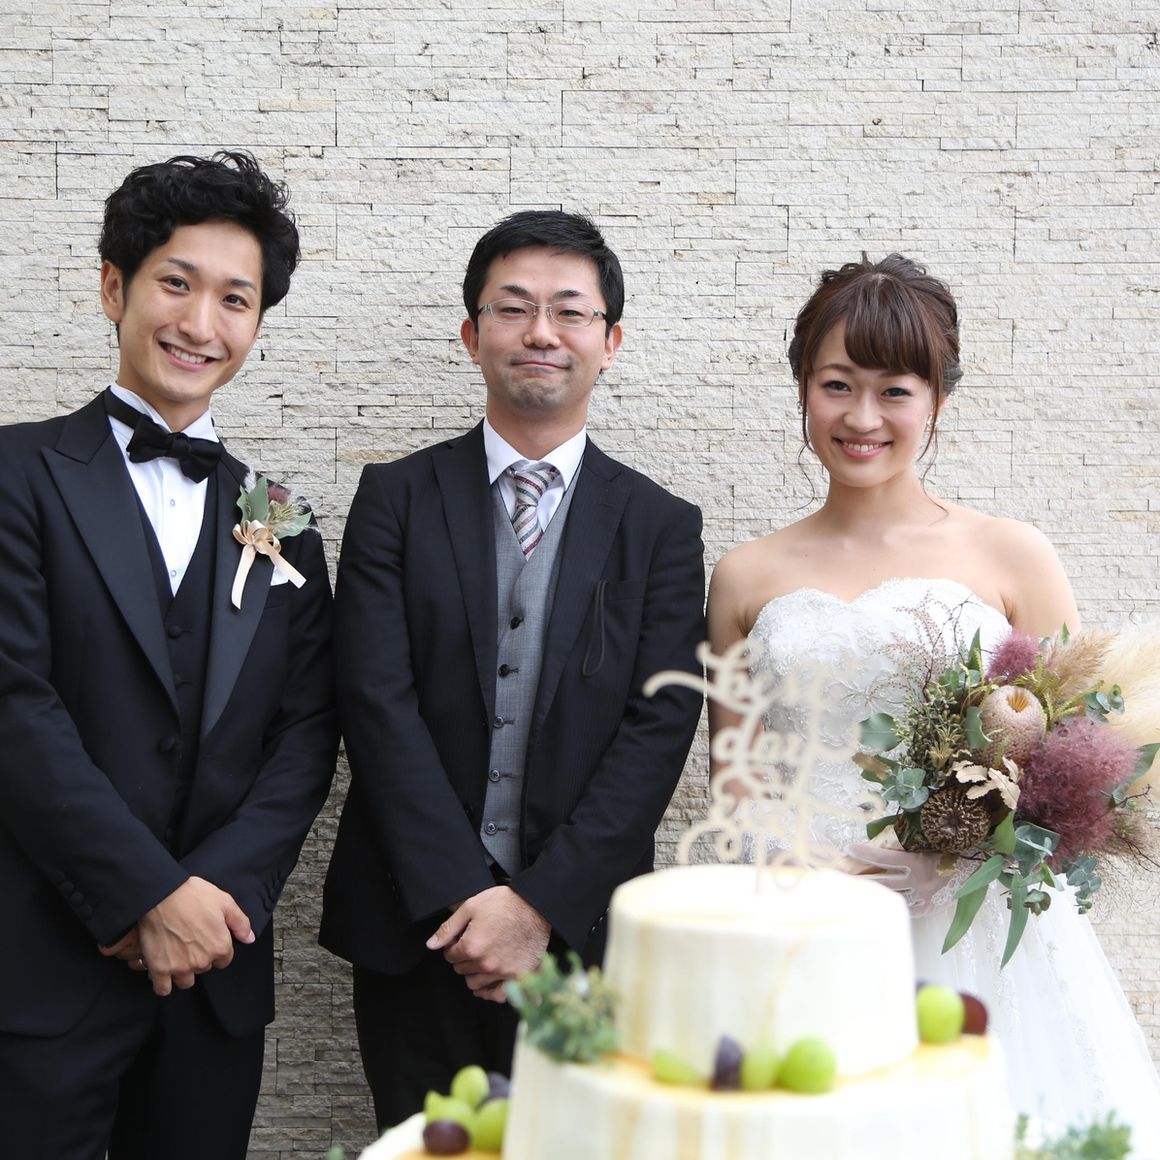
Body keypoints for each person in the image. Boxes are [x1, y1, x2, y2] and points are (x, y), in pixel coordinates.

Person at [707, 254, 1160, 1145]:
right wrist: (796, 869)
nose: (862, 417)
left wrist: (951, 852)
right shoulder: (744, 575)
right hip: (804, 917)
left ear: (938, 400)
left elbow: (1079, 760)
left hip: (970, 927)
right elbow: (738, 779)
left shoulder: (1010, 554)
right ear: (803, 389)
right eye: (837, 385)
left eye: (895, 391)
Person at [320, 209, 705, 1130]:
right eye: (513, 307)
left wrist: (537, 907)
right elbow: (374, 702)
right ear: (472, 333)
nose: (542, 332)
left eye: (570, 311)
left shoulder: (661, 526)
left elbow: (658, 732)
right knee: (422, 1144)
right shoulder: (395, 498)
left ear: (610, 342)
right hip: (417, 924)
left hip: (581, 933)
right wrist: (468, 899)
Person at [0, 151, 338, 1159]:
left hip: (214, 973)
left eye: (235, 298)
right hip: (42, 961)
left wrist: (211, 903)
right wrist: (147, 893)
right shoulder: (16, 474)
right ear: (116, 287)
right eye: (176, 283)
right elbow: (15, 703)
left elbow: (305, 733)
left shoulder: (282, 517)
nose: (201, 323)